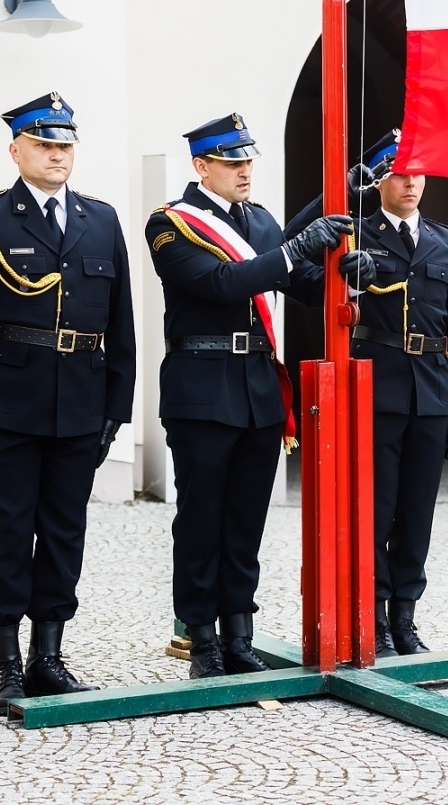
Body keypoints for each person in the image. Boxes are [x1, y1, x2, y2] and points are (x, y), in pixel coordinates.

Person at [0, 92, 136, 715]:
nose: (57, 155)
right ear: (16, 149)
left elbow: (121, 319)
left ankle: (48, 657)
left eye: (65, 145)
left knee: (63, 531)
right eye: (45, 144)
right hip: (8, 400)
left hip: (80, 397)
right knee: (6, 531)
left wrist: (117, 406)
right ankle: (6, 665)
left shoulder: (100, 220)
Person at [145, 113, 351, 679]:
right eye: (232, 162)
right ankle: (202, 639)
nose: (244, 171)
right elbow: (220, 283)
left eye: (247, 161)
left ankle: (240, 634)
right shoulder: (170, 224)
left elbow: (299, 281)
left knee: (245, 521)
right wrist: (293, 252)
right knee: (201, 519)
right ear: (201, 166)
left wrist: (342, 270)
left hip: (258, 388)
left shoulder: (259, 222)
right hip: (203, 385)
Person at [288, 129, 448, 659]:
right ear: (380, 182)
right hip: (378, 392)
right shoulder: (356, 234)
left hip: (433, 396)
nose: (412, 182)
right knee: (376, 511)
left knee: (417, 512)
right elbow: (292, 257)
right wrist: (340, 200)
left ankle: (405, 618)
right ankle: (371, 617)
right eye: (399, 173)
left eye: (419, 172)